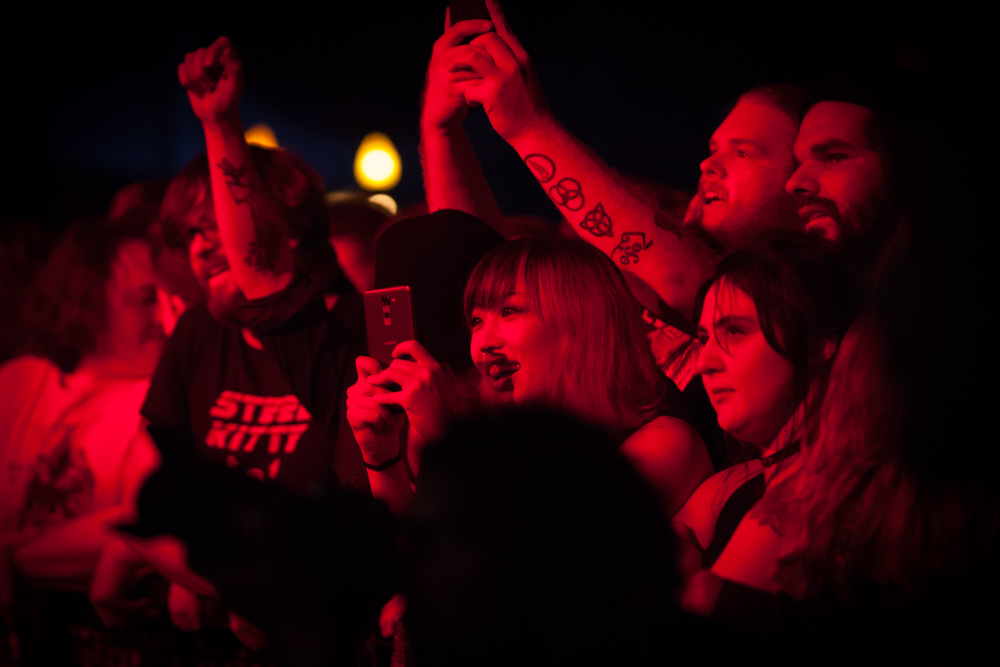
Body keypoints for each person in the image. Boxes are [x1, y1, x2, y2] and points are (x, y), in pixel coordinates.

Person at [89, 36, 367, 649]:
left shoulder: (344, 332)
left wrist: (219, 123)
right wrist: (202, 575)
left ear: (289, 232)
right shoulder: (200, 332)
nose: (204, 246)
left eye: (218, 224)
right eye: (191, 234)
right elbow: (152, 495)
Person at [421, 0, 808, 321]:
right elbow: (486, 290)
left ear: (802, 186)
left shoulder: (799, 304)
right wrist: (441, 129)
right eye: (712, 150)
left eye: (743, 152)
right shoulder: (628, 305)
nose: (708, 166)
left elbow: (684, 283)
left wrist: (527, 124)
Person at [350, 238, 712, 519]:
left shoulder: (666, 442)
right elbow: (418, 566)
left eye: (510, 310)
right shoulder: (514, 455)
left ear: (583, 321)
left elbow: (551, 551)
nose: (483, 342)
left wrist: (447, 437)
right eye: (476, 321)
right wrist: (383, 459)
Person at [0, 220, 163, 655]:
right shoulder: (17, 384)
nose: (166, 317)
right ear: (87, 300)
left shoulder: (161, 399)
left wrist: (11, 559)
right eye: (145, 300)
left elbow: (147, 523)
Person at [673, 231, 852, 601]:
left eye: (735, 332)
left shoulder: (811, 493)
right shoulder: (742, 480)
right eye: (704, 338)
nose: (704, 363)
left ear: (817, 344)